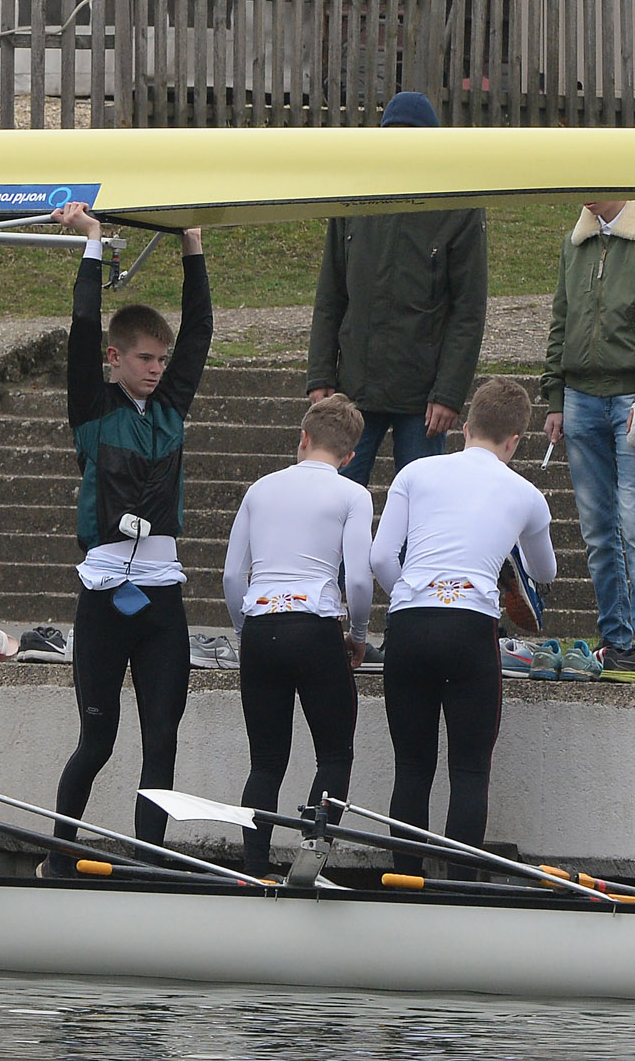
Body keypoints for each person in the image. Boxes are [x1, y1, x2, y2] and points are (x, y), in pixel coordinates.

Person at [47, 201, 211, 855]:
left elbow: (199, 331)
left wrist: (192, 245)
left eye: (161, 359)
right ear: (115, 359)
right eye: (145, 358)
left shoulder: (171, 409)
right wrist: (92, 242)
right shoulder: (90, 409)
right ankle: (59, 855)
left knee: (162, 740)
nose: (157, 368)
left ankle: (149, 864)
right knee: (97, 740)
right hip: (104, 600)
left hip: (161, 602)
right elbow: (82, 326)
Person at [368, 377, 556, 879]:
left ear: (466, 426)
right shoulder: (527, 494)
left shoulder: (416, 471)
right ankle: (459, 890)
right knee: (470, 770)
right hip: (471, 628)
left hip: (409, 622)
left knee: (411, 768)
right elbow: (545, 572)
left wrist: (410, 597)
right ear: (515, 441)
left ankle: (402, 883)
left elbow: (382, 556)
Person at [538, 199, 635, 683]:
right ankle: (617, 641)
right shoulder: (578, 239)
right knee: (597, 529)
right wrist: (555, 395)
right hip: (581, 399)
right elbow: (561, 318)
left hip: (631, 397)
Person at [223, 392, 374, 878]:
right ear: (349, 457)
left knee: (265, 761)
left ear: (303, 439)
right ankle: (311, 858)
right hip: (315, 627)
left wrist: (246, 630)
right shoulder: (352, 494)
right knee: (334, 753)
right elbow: (357, 579)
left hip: (262, 624)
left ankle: (253, 865)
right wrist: (358, 633)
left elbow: (231, 578)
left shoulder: (260, 489)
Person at [305, 91, 488, 486]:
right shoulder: (354, 198)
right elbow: (330, 293)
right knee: (335, 498)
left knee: (419, 510)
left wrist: (449, 393)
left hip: (423, 399)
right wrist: (321, 374)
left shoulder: (459, 205)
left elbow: (468, 310)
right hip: (355, 387)